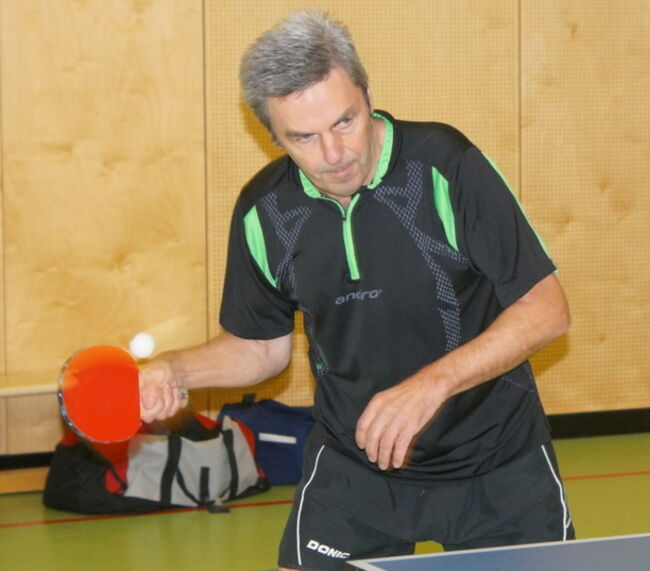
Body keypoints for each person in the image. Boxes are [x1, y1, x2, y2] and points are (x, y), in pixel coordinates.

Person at [140, 9, 574, 571]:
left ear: (368, 97)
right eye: (304, 137)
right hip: (355, 468)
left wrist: (431, 385)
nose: (334, 154)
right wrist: (175, 371)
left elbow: (546, 308)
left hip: (496, 461)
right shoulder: (264, 212)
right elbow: (259, 348)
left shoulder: (446, 166)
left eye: (344, 122)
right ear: (272, 137)